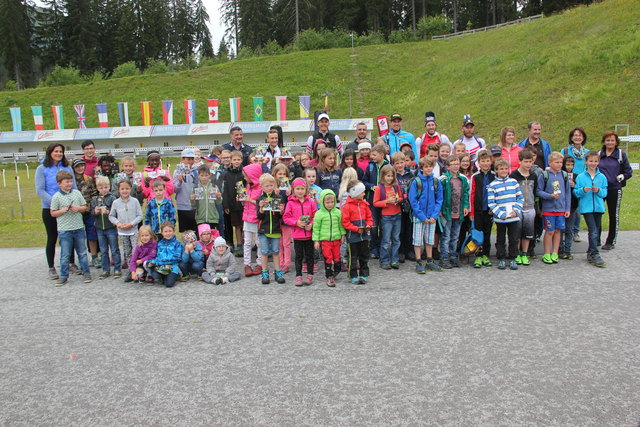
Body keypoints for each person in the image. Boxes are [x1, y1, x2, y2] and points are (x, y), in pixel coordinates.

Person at [36, 143, 78, 279]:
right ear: (50, 152)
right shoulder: (42, 169)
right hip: (50, 208)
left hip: (68, 207)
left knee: (69, 235)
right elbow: (40, 190)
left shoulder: (67, 168)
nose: (58, 154)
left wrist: (72, 202)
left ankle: (71, 263)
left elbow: (74, 187)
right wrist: (56, 203)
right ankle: (51, 267)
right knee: (52, 237)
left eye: (61, 151)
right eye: (56, 151)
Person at [49, 170, 92, 286]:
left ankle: (86, 273)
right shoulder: (56, 197)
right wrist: (62, 210)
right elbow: (52, 213)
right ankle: (63, 276)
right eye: (66, 182)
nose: (69, 184)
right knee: (65, 255)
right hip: (64, 229)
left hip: (78, 227)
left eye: (70, 181)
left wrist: (77, 208)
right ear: (59, 183)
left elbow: (84, 207)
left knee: (82, 253)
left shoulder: (77, 193)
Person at [597, 131, 633, 250]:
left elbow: (628, 171)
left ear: (616, 142)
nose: (610, 142)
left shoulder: (621, 155)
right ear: (604, 141)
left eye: (612, 140)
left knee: (613, 215)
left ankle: (610, 241)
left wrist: (622, 176)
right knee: (597, 213)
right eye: (608, 140)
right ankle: (595, 238)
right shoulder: (599, 154)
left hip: (614, 189)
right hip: (600, 189)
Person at [574, 151, 609, 267]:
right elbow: (576, 192)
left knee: (596, 231)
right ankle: (595, 253)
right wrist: (583, 190)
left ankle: (590, 251)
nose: (593, 163)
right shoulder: (580, 177)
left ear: (598, 162)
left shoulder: (602, 177)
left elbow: (605, 193)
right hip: (587, 208)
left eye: (595, 161)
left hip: (598, 207)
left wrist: (598, 190)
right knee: (593, 230)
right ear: (586, 161)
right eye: (590, 161)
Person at [488, 158, 524, 270]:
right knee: (500, 239)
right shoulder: (492, 185)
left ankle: (513, 258)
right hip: (500, 218)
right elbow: (491, 203)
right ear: (496, 170)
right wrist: (501, 214)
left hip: (513, 217)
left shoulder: (513, 182)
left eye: (505, 168)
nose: (503, 171)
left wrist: (516, 211)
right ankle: (501, 258)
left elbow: (520, 198)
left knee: (514, 238)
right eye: (501, 169)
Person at [409, 156, 443, 273]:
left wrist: (434, 215)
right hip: (419, 216)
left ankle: (429, 260)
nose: (428, 169)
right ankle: (419, 261)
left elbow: (439, 200)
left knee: (429, 239)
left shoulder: (436, 181)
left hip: (432, 216)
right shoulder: (416, 182)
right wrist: (422, 216)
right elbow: (413, 201)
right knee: (417, 240)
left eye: (430, 167)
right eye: (426, 167)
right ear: (421, 168)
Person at [536, 152, 572, 264]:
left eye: (561, 162)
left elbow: (567, 193)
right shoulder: (544, 175)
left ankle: (555, 253)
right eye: (557, 162)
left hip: (561, 209)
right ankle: (547, 253)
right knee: (549, 231)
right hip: (548, 209)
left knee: (558, 231)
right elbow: (538, 191)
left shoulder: (564, 175)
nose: (559, 164)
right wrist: (549, 196)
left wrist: (567, 208)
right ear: (550, 163)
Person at [283, 178, 317, 286]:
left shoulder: (311, 202)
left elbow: (315, 215)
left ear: (306, 189)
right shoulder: (290, 203)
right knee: (298, 256)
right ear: (293, 189)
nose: (300, 191)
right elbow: (286, 217)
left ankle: (310, 275)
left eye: (302, 188)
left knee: (310, 256)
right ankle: (298, 276)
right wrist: (296, 223)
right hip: (297, 236)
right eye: (297, 189)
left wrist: (311, 224)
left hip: (309, 235)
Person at [438, 156, 469, 269]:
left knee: (455, 236)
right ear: (447, 166)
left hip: (458, 212)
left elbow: (465, 194)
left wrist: (466, 206)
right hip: (447, 212)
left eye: (457, 164)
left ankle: (453, 256)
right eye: (453, 164)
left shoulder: (463, 179)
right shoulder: (443, 179)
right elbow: (439, 196)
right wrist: (440, 210)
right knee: (446, 236)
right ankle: (444, 257)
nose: (456, 166)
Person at [109, 179, 143, 280]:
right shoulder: (116, 202)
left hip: (133, 231)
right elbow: (111, 216)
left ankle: (138, 270)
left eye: (127, 188)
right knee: (127, 251)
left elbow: (140, 215)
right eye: (122, 189)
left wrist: (131, 224)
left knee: (135, 251)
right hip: (122, 231)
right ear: (118, 190)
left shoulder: (135, 201)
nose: (125, 191)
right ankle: (131, 270)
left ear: (130, 189)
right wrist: (118, 223)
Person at [255, 174, 286, 285]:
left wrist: (282, 211)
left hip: (276, 229)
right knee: (264, 252)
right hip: (263, 230)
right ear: (262, 187)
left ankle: (278, 273)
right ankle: (265, 273)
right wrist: (261, 210)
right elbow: (258, 217)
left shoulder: (279, 198)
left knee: (276, 252)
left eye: (271, 185)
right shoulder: (259, 199)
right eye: (267, 186)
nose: (269, 187)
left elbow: (280, 216)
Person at [560, 127, 590, 242]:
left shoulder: (587, 152)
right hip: (567, 180)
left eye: (580, 135)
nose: (578, 137)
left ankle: (575, 232)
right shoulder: (566, 151)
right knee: (568, 206)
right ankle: (565, 230)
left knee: (577, 208)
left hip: (580, 181)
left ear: (583, 138)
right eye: (575, 135)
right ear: (571, 137)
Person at [341, 181, 374, 284]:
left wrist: (369, 225)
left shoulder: (365, 204)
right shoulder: (347, 206)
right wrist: (356, 228)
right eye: (362, 192)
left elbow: (369, 217)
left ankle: (364, 274)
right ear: (355, 193)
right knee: (353, 257)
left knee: (364, 255)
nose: (364, 194)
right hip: (352, 236)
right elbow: (345, 222)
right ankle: (353, 274)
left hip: (364, 235)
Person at [312, 189, 346, 287]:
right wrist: (316, 241)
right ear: (322, 202)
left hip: (336, 240)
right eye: (327, 202)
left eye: (332, 202)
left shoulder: (338, 212)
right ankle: (329, 276)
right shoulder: (319, 214)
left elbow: (341, 226)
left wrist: (343, 235)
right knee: (328, 258)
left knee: (337, 258)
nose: (330, 204)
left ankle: (336, 271)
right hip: (325, 241)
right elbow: (316, 229)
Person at [373, 165, 403, 270]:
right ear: (383, 176)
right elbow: (375, 203)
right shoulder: (379, 188)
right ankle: (384, 260)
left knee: (396, 239)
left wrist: (398, 199)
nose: (390, 178)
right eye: (388, 176)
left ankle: (394, 259)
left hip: (397, 214)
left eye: (391, 176)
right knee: (385, 240)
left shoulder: (396, 186)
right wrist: (386, 201)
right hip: (386, 216)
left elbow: (401, 197)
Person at [510, 149, 537, 266]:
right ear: (520, 161)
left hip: (530, 207)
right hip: (517, 208)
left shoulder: (534, 175)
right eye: (526, 161)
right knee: (517, 232)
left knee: (528, 232)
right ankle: (516, 254)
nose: (528, 164)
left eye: (530, 162)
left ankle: (525, 253)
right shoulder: (514, 175)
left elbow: (536, 191)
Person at [71, 157, 100, 267]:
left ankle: (94, 256)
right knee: (77, 237)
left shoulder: (88, 179)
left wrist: (90, 207)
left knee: (92, 235)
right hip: (75, 212)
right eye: (77, 166)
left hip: (88, 211)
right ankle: (80, 259)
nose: (80, 168)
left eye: (82, 165)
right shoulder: (71, 180)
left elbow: (94, 194)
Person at [469, 150, 496, 268]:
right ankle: (478, 255)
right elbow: (472, 194)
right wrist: (472, 211)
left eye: (487, 161)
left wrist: (494, 208)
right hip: (478, 210)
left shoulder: (495, 176)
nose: (485, 163)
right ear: (478, 163)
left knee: (487, 232)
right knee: (478, 233)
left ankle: (486, 254)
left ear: (491, 162)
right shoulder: (475, 177)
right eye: (483, 161)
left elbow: (497, 193)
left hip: (489, 210)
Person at [363, 145, 390, 258]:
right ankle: (374, 247)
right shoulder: (370, 167)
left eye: (374, 155)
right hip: (372, 201)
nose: (372, 157)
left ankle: (382, 247)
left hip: (385, 201)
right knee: (373, 226)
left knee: (383, 226)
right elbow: (364, 182)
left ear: (382, 155)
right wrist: (371, 187)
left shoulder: (388, 166)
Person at [92, 176, 122, 279]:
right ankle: (105, 270)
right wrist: (95, 211)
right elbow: (92, 213)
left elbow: (117, 212)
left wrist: (108, 211)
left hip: (111, 227)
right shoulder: (95, 199)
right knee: (103, 250)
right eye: (101, 187)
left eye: (105, 187)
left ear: (109, 186)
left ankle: (117, 268)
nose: (103, 189)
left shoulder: (113, 198)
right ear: (97, 188)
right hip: (100, 228)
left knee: (114, 249)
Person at [240, 163, 264, 277]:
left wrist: (250, 200)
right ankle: (247, 264)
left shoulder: (261, 188)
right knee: (247, 242)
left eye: (246, 176)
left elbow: (262, 204)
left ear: (253, 175)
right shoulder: (248, 186)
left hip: (257, 218)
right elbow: (247, 201)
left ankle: (259, 263)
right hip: (247, 217)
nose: (244, 178)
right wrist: (242, 200)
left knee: (259, 242)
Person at [392, 152, 415, 262]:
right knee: (399, 230)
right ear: (393, 164)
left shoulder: (411, 174)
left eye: (402, 162)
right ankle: (400, 251)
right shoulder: (393, 176)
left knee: (409, 229)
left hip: (409, 205)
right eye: (397, 163)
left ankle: (409, 250)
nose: (400, 165)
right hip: (398, 206)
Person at [146, 222, 183, 288]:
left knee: (168, 284)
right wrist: (153, 262)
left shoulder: (177, 243)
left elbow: (177, 258)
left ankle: (176, 275)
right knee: (152, 271)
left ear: (174, 231)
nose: (168, 233)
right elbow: (157, 256)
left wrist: (160, 262)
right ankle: (163, 276)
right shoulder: (160, 243)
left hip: (172, 267)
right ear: (162, 233)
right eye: (165, 231)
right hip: (161, 267)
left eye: (170, 231)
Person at [222, 151, 245, 256]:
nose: (236, 162)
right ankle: (238, 245)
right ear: (231, 160)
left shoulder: (244, 172)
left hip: (244, 204)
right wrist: (226, 205)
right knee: (237, 226)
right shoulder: (227, 174)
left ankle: (245, 244)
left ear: (241, 160)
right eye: (234, 160)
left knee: (244, 225)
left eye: (238, 160)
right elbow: (225, 190)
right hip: (232, 204)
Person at [173, 148, 198, 233]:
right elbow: (175, 190)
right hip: (182, 205)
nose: (190, 161)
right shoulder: (177, 172)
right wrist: (179, 182)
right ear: (182, 159)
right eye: (188, 159)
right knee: (185, 231)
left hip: (195, 205)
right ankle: (187, 246)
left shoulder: (196, 171)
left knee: (195, 229)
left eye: (192, 159)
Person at [191, 165, 222, 232]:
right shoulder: (195, 188)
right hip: (200, 218)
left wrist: (219, 197)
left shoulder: (214, 186)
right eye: (202, 175)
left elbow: (218, 203)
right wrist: (192, 199)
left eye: (206, 175)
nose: (204, 178)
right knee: (202, 236)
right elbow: (193, 205)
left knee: (211, 237)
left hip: (212, 217)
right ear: (198, 176)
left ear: (209, 175)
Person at [558, 156, 578, 260]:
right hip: (561, 206)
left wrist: (574, 185)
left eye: (571, 165)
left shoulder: (576, 176)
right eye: (567, 164)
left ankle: (568, 249)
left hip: (572, 206)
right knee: (560, 229)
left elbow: (579, 191)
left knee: (569, 229)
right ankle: (559, 249)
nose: (569, 167)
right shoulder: (559, 175)